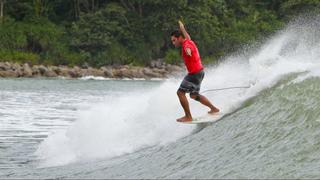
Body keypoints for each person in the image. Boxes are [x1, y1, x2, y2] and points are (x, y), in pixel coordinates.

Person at [171, 20, 219, 122]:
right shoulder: (188, 40)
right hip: (200, 72)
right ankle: (214, 109)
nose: (173, 43)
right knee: (193, 95)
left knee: (180, 93)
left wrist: (188, 52)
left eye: (174, 40)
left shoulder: (186, 45)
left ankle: (188, 116)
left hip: (194, 74)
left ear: (179, 38)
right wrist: (182, 28)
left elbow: (188, 49)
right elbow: (187, 36)